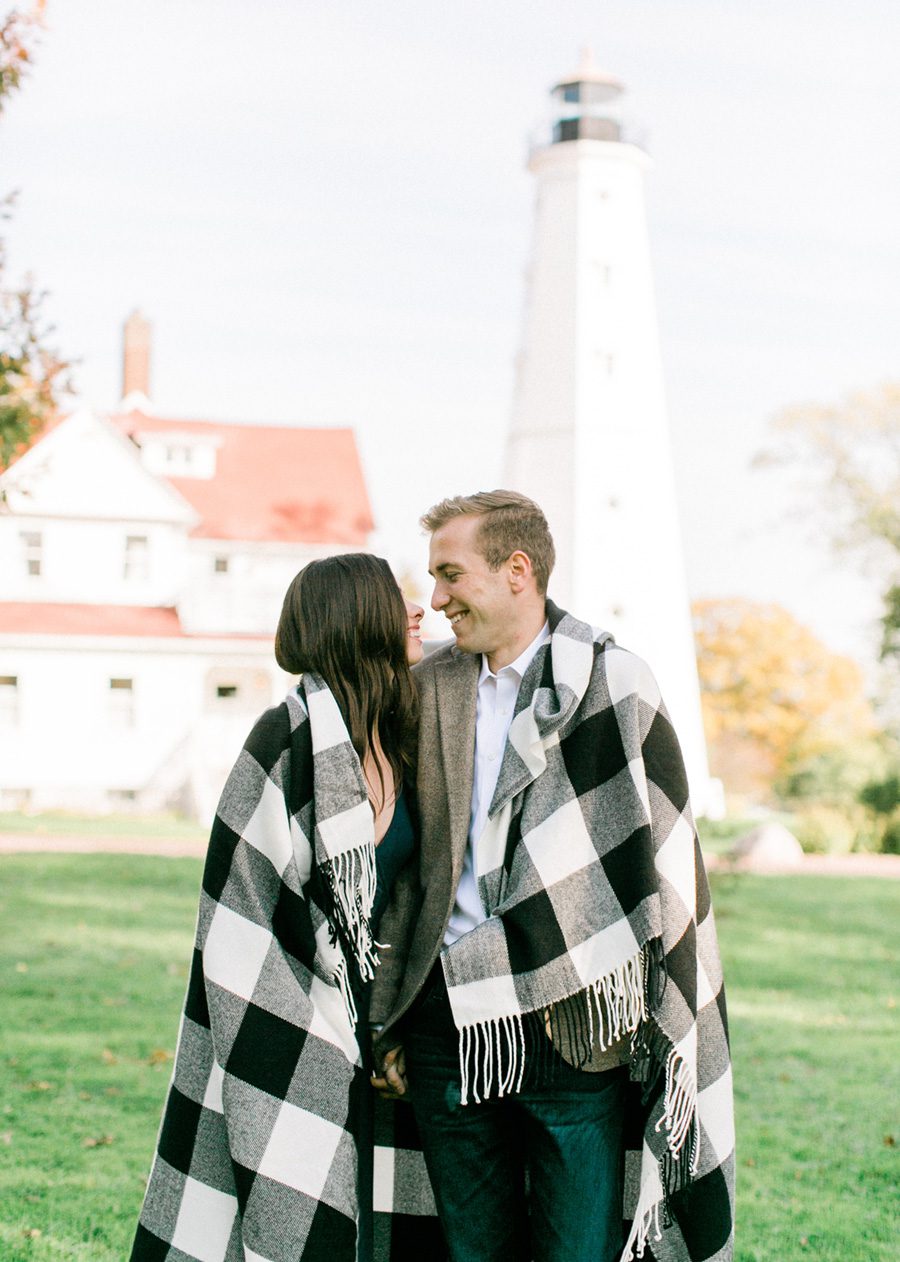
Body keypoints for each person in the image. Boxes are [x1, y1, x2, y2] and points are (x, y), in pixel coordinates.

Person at [370, 492, 735, 1262]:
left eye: (449, 574)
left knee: (576, 1249)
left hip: (574, 1015)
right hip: (447, 1013)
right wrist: (391, 1013)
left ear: (516, 570)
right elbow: (408, 871)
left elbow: (660, 857)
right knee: (469, 1249)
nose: (434, 600)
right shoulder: (428, 687)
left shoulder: (615, 685)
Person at [132, 553, 444, 1262]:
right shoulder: (284, 739)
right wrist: (323, 1027)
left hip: (380, 1017)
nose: (419, 608)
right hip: (285, 1011)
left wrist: (387, 1021)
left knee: (386, 1214)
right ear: (357, 618)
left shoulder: (398, 735)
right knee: (296, 1206)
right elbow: (240, 903)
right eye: (398, 600)